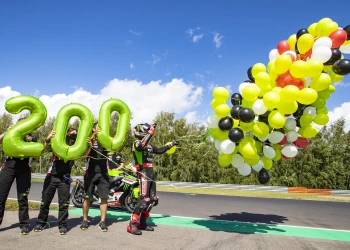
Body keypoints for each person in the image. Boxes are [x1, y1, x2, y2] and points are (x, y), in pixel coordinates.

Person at [127, 123, 178, 235]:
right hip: (143, 173)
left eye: (148, 130)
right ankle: (132, 224)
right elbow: (141, 145)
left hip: (150, 174)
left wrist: (171, 145)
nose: (148, 131)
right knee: (144, 200)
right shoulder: (137, 143)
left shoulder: (148, 146)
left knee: (153, 200)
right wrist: (151, 133)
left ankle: (142, 223)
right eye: (146, 130)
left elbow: (159, 150)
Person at [33, 128, 77, 235]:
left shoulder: (76, 147)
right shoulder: (58, 143)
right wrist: (47, 139)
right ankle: (41, 223)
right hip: (52, 176)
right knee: (45, 201)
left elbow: (85, 152)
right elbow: (47, 149)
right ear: (67, 134)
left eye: (76, 133)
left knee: (64, 204)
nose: (74, 135)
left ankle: (62, 225)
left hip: (65, 178)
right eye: (72, 133)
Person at [0, 118, 37, 235]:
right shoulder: (11, 134)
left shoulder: (31, 138)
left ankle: (24, 224)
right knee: (1, 196)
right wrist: (7, 132)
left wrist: (28, 138)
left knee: (22, 198)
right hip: (9, 166)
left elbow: (38, 147)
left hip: (24, 168)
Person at [80, 122, 110, 232]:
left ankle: (102, 221)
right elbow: (84, 155)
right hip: (91, 173)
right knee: (87, 197)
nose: (100, 129)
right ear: (93, 129)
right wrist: (91, 145)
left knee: (104, 197)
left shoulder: (105, 140)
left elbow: (116, 150)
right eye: (98, 127)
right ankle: (85, 220)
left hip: (103, 173)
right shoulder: (88, 139)